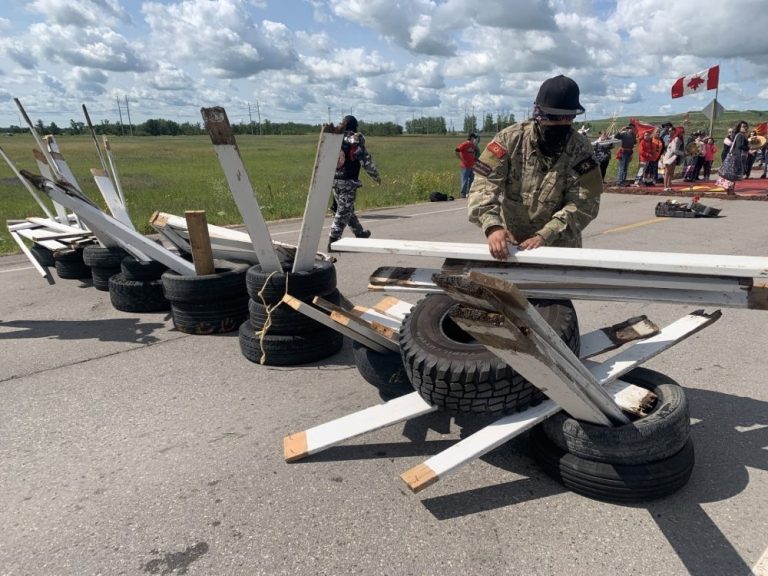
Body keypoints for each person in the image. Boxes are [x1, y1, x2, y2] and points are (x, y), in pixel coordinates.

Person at [467, 74, 602, 260]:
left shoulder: (581, 148)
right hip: (512, 248)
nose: (560, 125)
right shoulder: (509, 139)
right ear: (539, 114)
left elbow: (585, 202)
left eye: (567, 119)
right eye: (554, 118)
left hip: (560, 248)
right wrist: (493, 226)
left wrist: (546, 234)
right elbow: (483, 185)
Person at [327, 115, 381, 251]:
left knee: (347, 209)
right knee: (343, 211)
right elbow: (366, 161)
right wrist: (375, 176)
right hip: (348, 181)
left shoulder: (335, 138)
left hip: (334, 180)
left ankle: (360, 233)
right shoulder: (355, 142)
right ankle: (333, 240)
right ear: (355, 127)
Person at [455, 132, 479, 198]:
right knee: (464, 180)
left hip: (472, 165)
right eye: (474, 138)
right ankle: (463, 194)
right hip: (465, 165)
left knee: (472, 180)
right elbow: (457, 150)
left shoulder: (473, 145)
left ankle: (470, 193)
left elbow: (474, 152)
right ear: (471, 138)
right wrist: (460, 158)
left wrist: (475, 159)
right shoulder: (464, 144)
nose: (475, 139)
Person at [662, 126, 685, 192]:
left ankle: (668, 186)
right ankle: (665, 186)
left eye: (683, 132)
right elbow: (674, 150)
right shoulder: (676, 139)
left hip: (673, 157)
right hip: (669, 157)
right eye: (682, 132)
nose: (683, 133)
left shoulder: (677, 139)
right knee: (667, 172)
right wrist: (683, 153)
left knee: (671, 172)